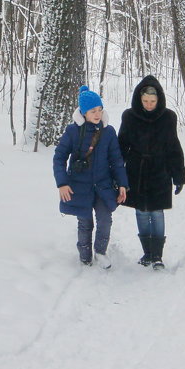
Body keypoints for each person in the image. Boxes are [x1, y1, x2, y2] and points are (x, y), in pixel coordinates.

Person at [53, 86, 128, 268]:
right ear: (83, 112)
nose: (97, 114)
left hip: (103, 186)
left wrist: (123, 185)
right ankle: (84, 255)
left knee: (105, 219)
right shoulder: (73, 131)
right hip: (79, 186)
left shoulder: (108, 132)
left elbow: (116, 160)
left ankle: (100, 251)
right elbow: (59, 157)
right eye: (93, 111)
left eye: (100, 110)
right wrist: (62, 183)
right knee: (85, 222)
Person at [118, 76, 185, 268]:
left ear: (159, 100)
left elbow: (174, 147)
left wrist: (178, 176)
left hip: (160, 169)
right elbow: (121, 146)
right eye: (145, 101)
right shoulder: (129, 116)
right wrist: (117, 175)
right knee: (140, 212)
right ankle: (147, 253)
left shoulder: (168, 117)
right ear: (139, 99)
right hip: (136, 170)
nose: (149, 105)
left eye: (153, 101)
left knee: (157, 212)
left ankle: (157, 255)